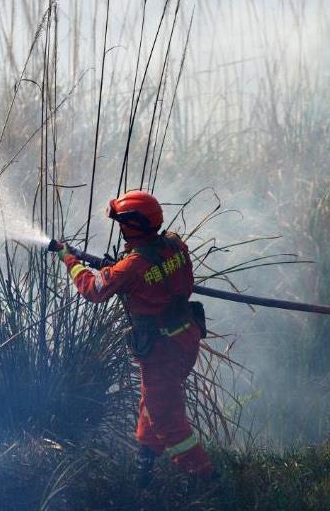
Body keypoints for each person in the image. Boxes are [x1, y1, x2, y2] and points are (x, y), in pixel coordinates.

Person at [56, 190, 214, 487]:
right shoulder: (176, 245)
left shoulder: (131, 267)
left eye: (121, 223)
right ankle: (145, 469)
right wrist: (119, 267)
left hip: (161, 350)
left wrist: (69, 260)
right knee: (151, 402)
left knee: (166, 418)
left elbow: (93, 289)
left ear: (133, 225)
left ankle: (206, 479)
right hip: (186, 337)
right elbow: (180, 279)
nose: (119, 228)